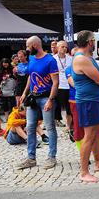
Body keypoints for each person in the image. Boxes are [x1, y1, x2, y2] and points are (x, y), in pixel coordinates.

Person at [71, 30, 99, 183]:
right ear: (90, 42)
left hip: (94, 101)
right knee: (89, 136)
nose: (95, 43)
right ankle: (84, 172)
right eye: (94, 41)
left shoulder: (89, 58)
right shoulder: (81, 59)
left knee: (96, 132)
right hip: (87, 102)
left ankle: (98, 163)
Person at [16, 36, 59, 170]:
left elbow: (55, 82)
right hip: (33, 98)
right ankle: (31, 158)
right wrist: (24, 93)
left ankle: (51, 157)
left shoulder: (50, 60)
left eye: (28, 46)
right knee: (30, 127)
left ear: (35, 45)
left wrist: (50, 100)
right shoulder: (32, 58)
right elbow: (31, 76)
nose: (27, 49)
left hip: (46, 97)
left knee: (50, 127)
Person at [53, 41, 73, 133]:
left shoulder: (70, 59)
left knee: (69, 108)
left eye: (66, 47)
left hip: (69, 86)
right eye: (62, 47)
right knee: (56, 106)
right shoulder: (53, 59)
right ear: (57, 48)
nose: (65, 49)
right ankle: (55, 122)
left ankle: (69, 126)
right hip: (58, 85)